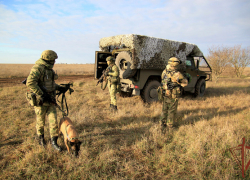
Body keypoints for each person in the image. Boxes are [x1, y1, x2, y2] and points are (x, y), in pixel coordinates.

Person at [26, 50, 66, 151]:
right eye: (53, 59)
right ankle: (41, 139)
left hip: (51, 100)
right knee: (41, 121)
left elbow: (50, 84)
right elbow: (30, 83)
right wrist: (42, 94)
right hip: (41, 101)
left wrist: (59, 88)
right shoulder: (38, 68)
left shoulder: (49, 69)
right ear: (48, 59)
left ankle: (54, 142)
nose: (54, 62)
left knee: (53, 121)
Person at [160, 57, 188, 131]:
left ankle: (162, 123)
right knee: (172, 110)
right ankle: (170, 126)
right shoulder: (178, 74)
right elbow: (185, 83)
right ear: (176, 65)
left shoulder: (164, 71)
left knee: (164, 109)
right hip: (173, 94)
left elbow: (163, 80)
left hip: (166, 93)